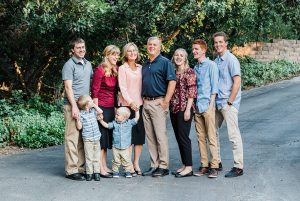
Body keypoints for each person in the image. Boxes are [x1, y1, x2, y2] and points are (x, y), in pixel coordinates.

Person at [141, 36, 176, 177]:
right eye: (149, 44)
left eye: (154, 45)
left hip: (158, 102)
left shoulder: (165, 62)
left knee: (160, 136)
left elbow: (172, 81)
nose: (151, 47)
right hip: (146, 103)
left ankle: (163, 166)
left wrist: (166, 101)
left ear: (159, 47)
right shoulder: (145, 64)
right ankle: (154, 165)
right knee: (150, 137)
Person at [213, 32, 244, 177]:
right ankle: (216, 162)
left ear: (226, 43)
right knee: (211, 132)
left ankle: (238, 167)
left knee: (233, 135)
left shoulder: (232, 60)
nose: (218, 44)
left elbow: (237, 82)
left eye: (221, 42)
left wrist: (230, 101)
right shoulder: (217, 60)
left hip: (228, 103)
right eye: (216, 42)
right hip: (217, 103)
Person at [62, 38, 93, 181]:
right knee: (72, 138)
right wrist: (74, 106)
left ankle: (80, 167)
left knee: (82, 138)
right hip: (71, 106)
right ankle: (71, 170)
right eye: (78, 47)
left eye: (83, 47)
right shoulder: (69, 65)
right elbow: (68, 87)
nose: (81, 49)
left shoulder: (88, 64)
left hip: (84, 106)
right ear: (73, 50)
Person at [192, 39, 220, 178]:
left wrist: (211, 105)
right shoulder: (195, 67)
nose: (194, 51)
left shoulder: (211, 65)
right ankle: (204, 165)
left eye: (196, 49)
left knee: (211, 137)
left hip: (208, 105)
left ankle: (214, 166)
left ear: (203, 50)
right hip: (197, 107)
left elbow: (215, 87)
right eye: (193, 49)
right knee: (200, 138)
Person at [91, 45, 120, 178]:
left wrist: (115, 107)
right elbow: (95, 91)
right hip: (101, 106)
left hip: (110, 108)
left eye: (117, 55)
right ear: (107, 55)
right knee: (101, 139)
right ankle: (100, 168)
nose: (116, 57)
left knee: (107, 139)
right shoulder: (100, 70)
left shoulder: (116, 69)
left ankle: (105, 165)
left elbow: (115, 92)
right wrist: (97, 110)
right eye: (113, 54)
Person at [118, 42, 145, 175]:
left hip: (140, 106)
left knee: (139, 137)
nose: (132, 53)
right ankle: (128, 165)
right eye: (129, 51)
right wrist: (130, 102)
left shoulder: (141, 67)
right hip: (126, 107)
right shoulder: (122, 68)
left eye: (134, 50)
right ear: (125, 54)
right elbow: (122, 88)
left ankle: (136, 163)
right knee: (128, 137)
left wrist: (138, 103)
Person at [169, 48, 196, 178]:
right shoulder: (173, 72)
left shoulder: (189, 72)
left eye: (181, 55)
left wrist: (187, 110)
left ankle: (189, 167)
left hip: (184, 108)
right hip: (173, 108)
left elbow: (192, 92)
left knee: (184, 137)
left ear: (185, 58)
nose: (178, 57)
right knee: (179, 137)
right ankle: (184, 165)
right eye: (176, 55)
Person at [99, 107, 139, 178]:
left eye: (118, 115)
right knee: (116, 160)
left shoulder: (129, 123)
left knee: (126, 160)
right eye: (116, 114)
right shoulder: (114, 123)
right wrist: (101, 120)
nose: (116, 116)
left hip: (125, 147)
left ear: (124, 117)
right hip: (116, 146)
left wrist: (137, 111)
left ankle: (127, 171)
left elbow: (136, 118)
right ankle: (115, 172)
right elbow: (107, 125)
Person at [75, 95, 103, 181]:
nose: (93, 101)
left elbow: (100, 111)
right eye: (91, 101)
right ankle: (89, 173)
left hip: (96, 137)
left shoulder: (93, 111)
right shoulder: (81, 114)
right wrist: (77, 119)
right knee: (89, 157)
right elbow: (79, 127)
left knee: (96, 156)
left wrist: (94, 105)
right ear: (87, 105)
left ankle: (96, 173)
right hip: (88, 139)